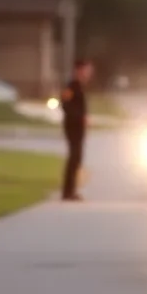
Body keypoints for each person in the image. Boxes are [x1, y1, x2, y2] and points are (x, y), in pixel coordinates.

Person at [60, 58, 94, 201]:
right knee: (74, 158)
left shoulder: (80, 86)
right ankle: (67, 192)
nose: (89, 73)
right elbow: (65, 104)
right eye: (87, 70)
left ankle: (72, 190)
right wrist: (79, 117)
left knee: (77, 158)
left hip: (79, 127)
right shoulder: (71, 86)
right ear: (79, 70)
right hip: (72, 127)